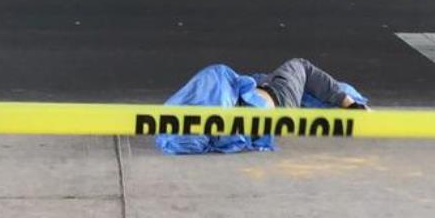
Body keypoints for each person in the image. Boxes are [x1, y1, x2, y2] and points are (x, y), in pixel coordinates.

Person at [156, 58, 369, 155]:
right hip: (277, 101)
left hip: (254, 98)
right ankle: (351, 104)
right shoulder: (215, 86)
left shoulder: (177, 121)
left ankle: (264, 81)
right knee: (299, 65)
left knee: (256, 77)